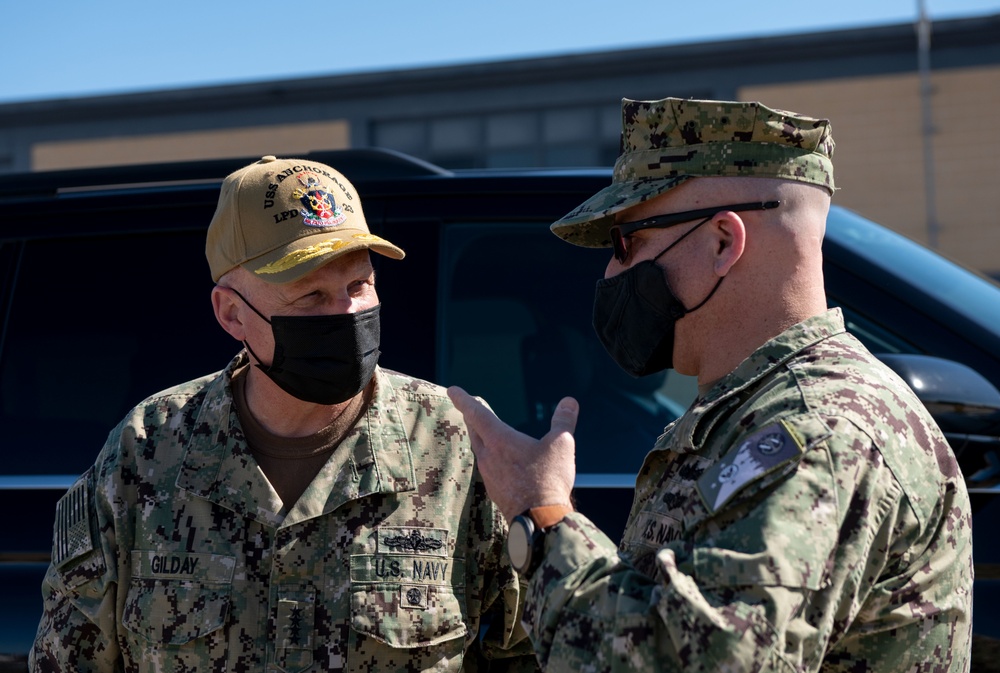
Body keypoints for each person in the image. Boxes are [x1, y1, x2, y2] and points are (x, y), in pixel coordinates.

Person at [447, 98, 973, 672]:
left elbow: (698, 659)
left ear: (723, 241)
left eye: (628, 243)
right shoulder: (746, 411)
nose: (610, 274)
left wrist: (541, 515)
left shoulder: (815, 430)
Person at [30, 155, 538, 672]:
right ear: (232, 313)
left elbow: (529, 653)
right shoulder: (146, 451)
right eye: (311, 295)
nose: (347, 314)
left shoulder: (454, 442)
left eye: (359, 285)